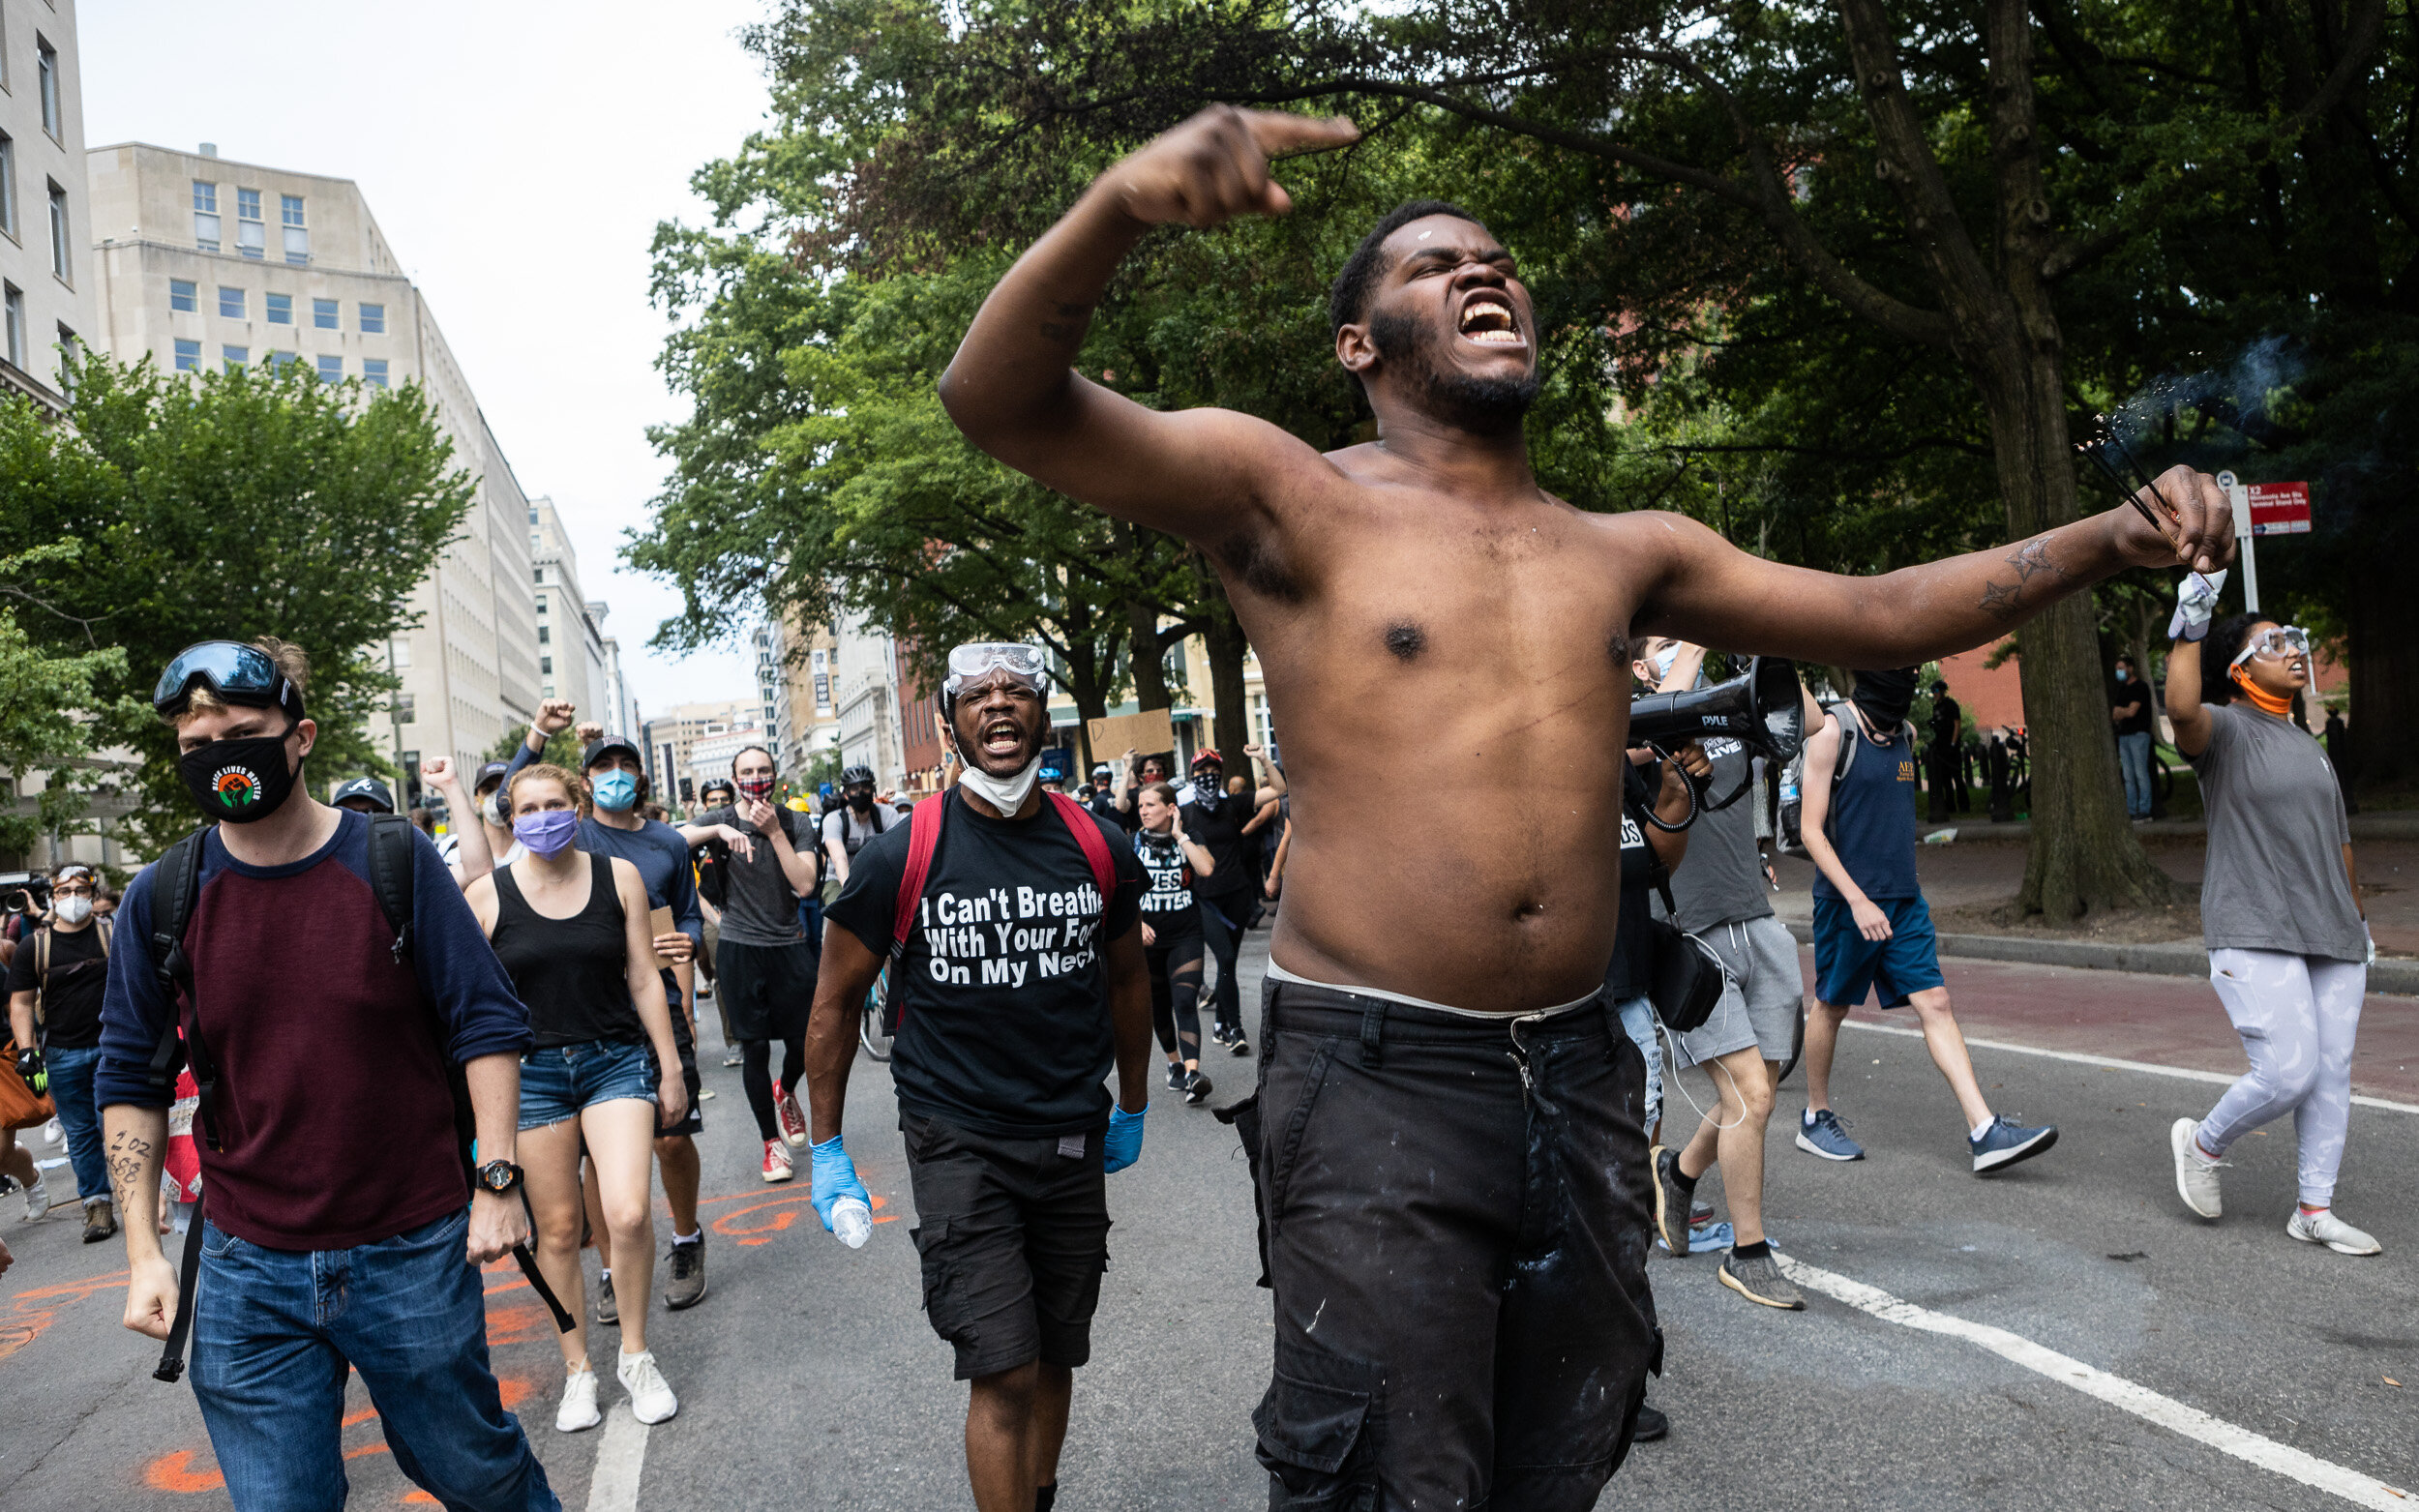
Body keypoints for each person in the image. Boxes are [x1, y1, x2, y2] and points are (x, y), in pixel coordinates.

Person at [936, 108, 2232, 1506]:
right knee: (1390, 1473)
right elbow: (997, 400)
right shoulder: (1287, 494)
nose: (1483, 272)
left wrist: (2113, 535)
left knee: (1561, 1455)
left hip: (1577, 1069)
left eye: (1496, 258)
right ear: (1359, 344)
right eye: (1434, 266)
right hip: (1375, 1074)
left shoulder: (1630, 550)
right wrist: (1120, 206)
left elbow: (1879, 612)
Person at [96, 637, 556, 1512]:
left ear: (299, 735)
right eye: (196, 747)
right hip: (245, 1264)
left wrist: (498, 1179)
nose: (219, 759)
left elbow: (486, 1022)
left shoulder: (393, 860)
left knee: (475, 1475)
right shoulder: (165, 895)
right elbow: (128, 1077)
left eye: (240, 733)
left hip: (409, 1247)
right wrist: (143, 1252)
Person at [803, 640, 1150, 1512]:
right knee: (1002, 1365)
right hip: (958, 1140)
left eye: (1018, 691)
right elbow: (834, 1005)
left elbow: (1128, 980)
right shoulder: (901, 854)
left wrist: (1134, 1104)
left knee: (1057, 1352)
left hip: (1070, 1132)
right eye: (979, 695)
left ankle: (1038, 1496)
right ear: (952, 720)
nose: (1000, 706)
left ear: (1044, 713)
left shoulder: (1096, 844)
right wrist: (828, 1147)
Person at [466, 764, 687, 1429]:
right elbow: (473, 1008)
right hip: (531, 1076)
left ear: (577, 805)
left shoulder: (618, 878)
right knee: (558, 1229)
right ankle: (578, 1370)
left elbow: (646, 977)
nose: (541, 816)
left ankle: (637, 1355)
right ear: (510, 814)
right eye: (527, 807)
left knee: (625, 1212)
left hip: (614, 1061)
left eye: (554, 803)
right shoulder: (485, 895)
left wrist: (670, 1065)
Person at [2161, 589, 2378, 1255]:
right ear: (2239, 669)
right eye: (2273, 643)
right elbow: (2179, 708)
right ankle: (2203, 1142)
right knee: (2288, 1069)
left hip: (2334, 931)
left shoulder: (2306, 742)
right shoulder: (2225, 732)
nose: (2292, 651)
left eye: (2291, 639)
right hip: (2253, 923)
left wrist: (2358, 917)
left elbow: (2338, 837)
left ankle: (2315, 1207)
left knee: (2331, 1071)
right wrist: (2190, 624)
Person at [502, 718, 731, 1315]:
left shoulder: (666, 844)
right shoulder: (570, 838)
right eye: (603, 767)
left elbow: (685, 915)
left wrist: (683, 945)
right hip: (584, 1015)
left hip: (653, 1003)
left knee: (672, 1139)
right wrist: (538, 734)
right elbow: (515, 795)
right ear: (584, 784)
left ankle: (686, 1238)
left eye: (625, 766)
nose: (615, 776)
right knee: (594, 1161)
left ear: (640, 774)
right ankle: (610, 1266)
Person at [1796, 668, 2058, 1173]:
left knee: (1935, 1001)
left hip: (1904, 900)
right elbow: (1811, 831)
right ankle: (1814, 1117)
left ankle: (1985, 1131)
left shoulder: (1906, 735)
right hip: (1848, 902)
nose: (1911, 681)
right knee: (1832, 1006)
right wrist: (1856, 899)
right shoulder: (1834, 731)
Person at [1634, 640, 1811, 1312]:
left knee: (1760, 1085)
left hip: (1755, 920)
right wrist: (1695, 639)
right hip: (1690, 932)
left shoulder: (1733, 703)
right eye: (1662, 640)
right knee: (1750, 1098)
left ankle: (1677, 1175)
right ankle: (1749, 1252)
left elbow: (1810, 721)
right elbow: (1655, 711)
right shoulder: (1633, 716)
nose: (1675, 647)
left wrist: (1771, 642)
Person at [692, 747, 821, 1183]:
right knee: (756, 1048)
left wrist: (775, 833)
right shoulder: (719, 819)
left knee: (805, 1042)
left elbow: (805, 885)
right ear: (734, 777)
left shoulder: (794, 821)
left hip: (788, 945)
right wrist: (719, 832)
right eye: (746, 771)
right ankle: (771, 1144)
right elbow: (669, 842)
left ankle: (784, 1090)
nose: (755, 777)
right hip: (739, 947)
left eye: (763, 769)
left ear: (775, 773)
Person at [9, 864, 113, 1241]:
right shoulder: (34, 947)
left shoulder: (113, 934)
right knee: (81, 1132)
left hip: (112, 1048)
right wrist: (27, 1052)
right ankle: (97, 1204)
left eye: (80, 890)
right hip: (62, 1054)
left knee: (114, 1123)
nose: (73, 898)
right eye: (64, 891)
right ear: (52, 897)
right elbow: (20, 1002)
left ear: (92, 893)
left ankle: (138, 1198)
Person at [1180, 745, 1285, 1055]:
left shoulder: (1234, 805)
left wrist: (1263, 758)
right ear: (1192, 776)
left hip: (1238, 894)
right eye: (1201, 772)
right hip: (1203, 899)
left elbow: (1279, 789)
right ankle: (1235, 1028)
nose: (1208, 777)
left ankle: (1220, 1025)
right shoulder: (1184, 814)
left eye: (1213, 772)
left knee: (1230, 963)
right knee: (1224, 958)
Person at [1134, 781, 1217, 1103]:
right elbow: (1122, 890)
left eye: (1150, 805)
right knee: (1159, 1005)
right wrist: (1137, 922)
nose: (1144, 811)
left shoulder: (1191, 838)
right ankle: (1175, 1065)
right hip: (1148, 939)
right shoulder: (1133, 843)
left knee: (1185, 1000)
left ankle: (1194, 1073)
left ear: (1171, 809)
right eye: (1141, 806)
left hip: (1186, 934)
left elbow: (1206, 868)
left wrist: (1180, 835)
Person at [821, 764, 897, 897]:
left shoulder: (887, 815)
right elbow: (840, 859)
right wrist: (851, 896)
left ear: (873, 790)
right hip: (838, 879)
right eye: (855, 789)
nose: (861, 793)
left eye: (866, 787)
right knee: (839, 911)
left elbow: (896, 853)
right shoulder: (834, 819)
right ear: (846, 794)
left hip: (875, 876)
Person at [2112, 654, 2155, 820]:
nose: (2119, 672)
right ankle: (2132, 810)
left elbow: (2131, 711)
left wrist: (2123, 712)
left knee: (2140, 773)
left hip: (2138, 735)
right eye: (2117, 669)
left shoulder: (2140, 687)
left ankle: (2145, 809)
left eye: (2121, 668)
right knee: (2128, 776)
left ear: (2130, 668)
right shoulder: (2122, 689)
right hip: (2124, 735)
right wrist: (2123, 712)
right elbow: (2115, 714)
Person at [1926, 678, 1965, 820]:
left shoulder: (1951, 705)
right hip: (1941, 746)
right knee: (1945, 779)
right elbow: (1938, 725)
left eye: (1936, 691)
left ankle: (1964, 805)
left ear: (1942, 691)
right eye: (1933, 692)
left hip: (1951, 746)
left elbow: (1957, 724)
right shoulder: (1936, 708)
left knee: (1957, 776)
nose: (1934, 694)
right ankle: (1950, 805)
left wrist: (1953, 743)